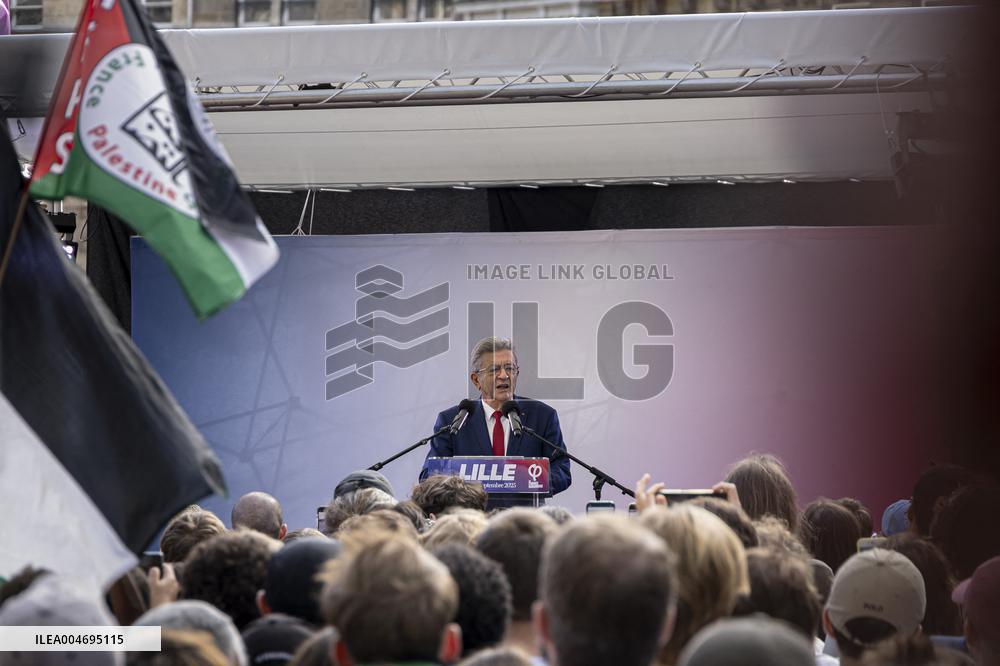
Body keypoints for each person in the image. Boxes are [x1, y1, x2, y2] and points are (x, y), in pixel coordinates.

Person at [421, 337, 571, 496]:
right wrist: (467, 490)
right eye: (494, 369)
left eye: (510, 368)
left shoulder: (542, 416)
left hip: (522, 516)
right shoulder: (453, 420)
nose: (504, 375)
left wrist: (529, 482)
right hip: (471, 516)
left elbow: (561, 469)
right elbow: (428, 476)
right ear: (476, 379)